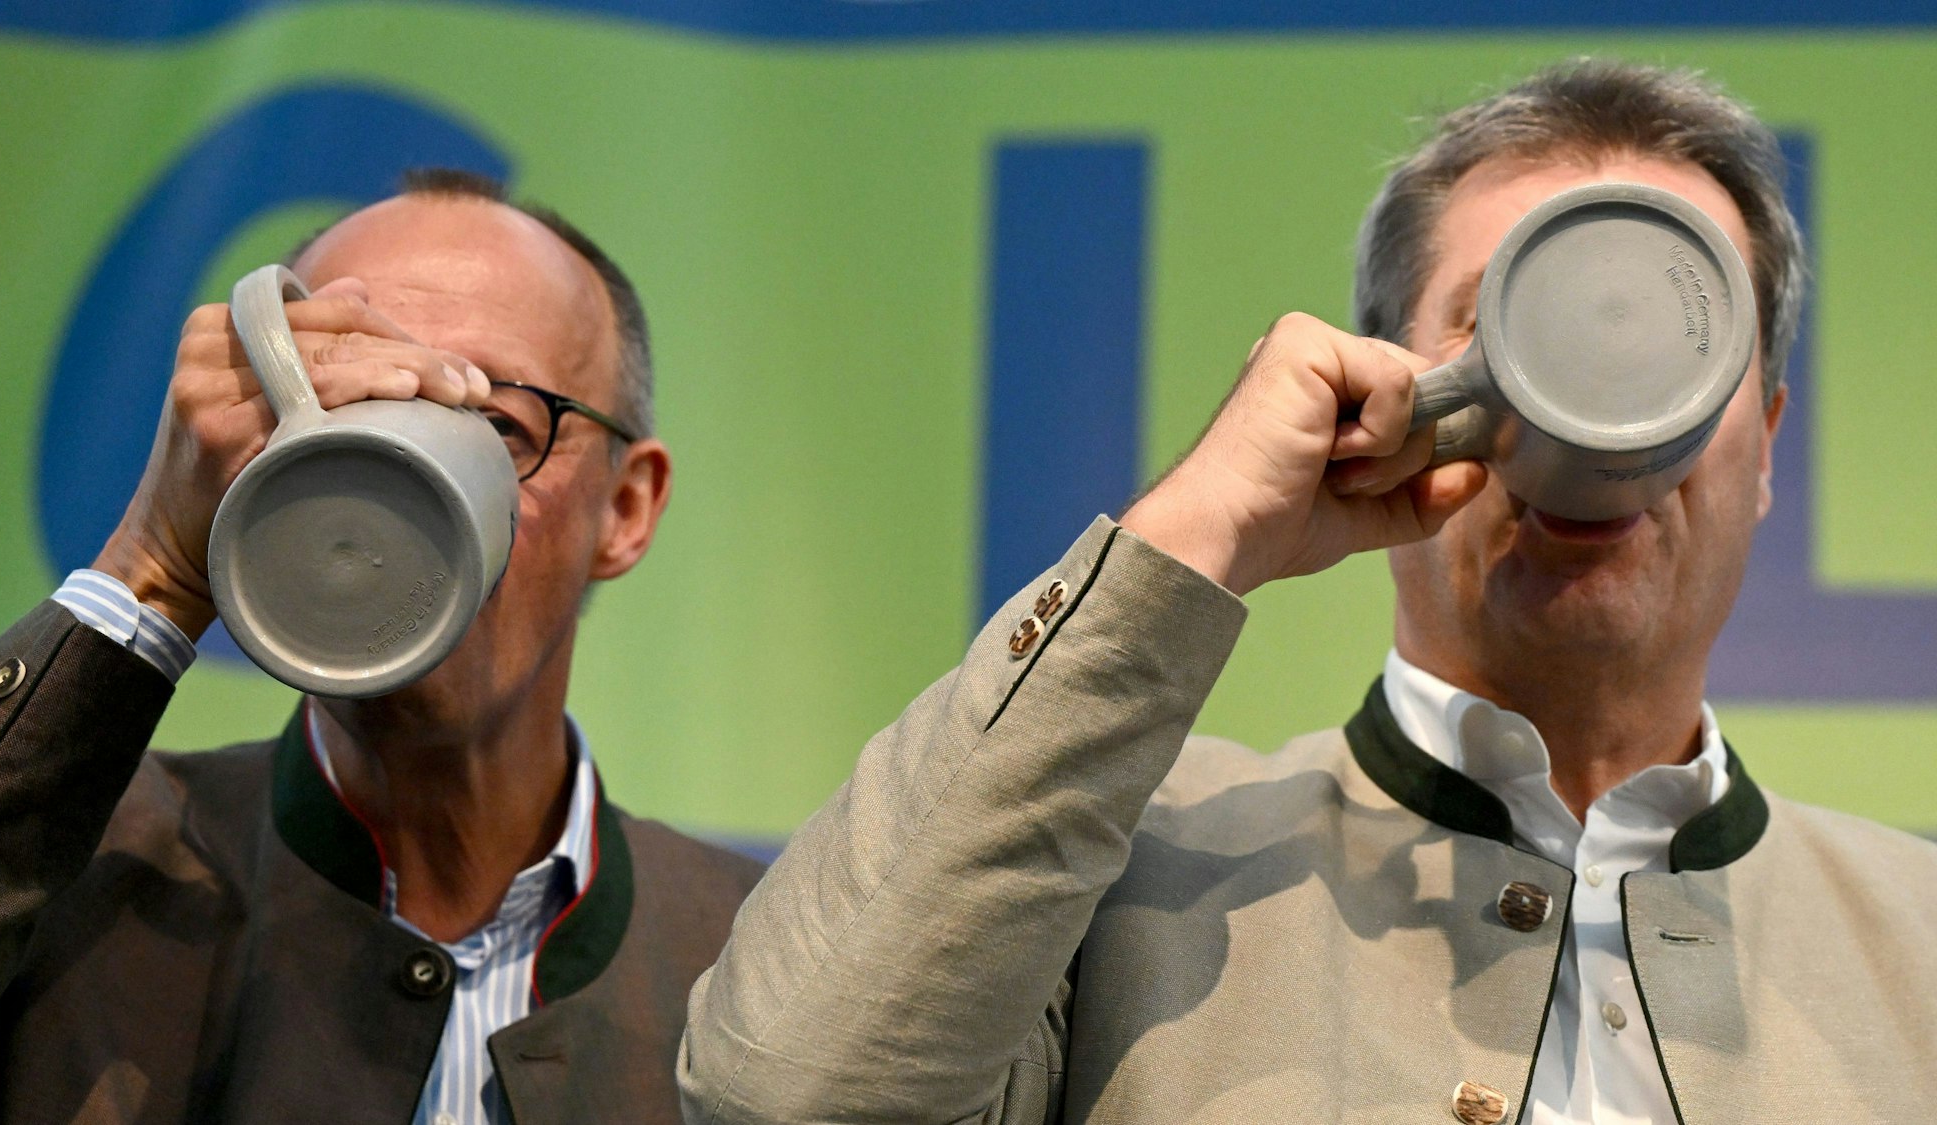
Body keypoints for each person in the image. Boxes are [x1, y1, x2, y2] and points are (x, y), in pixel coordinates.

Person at [677, 59, 1937, 1124]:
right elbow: (787, 1094)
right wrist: (1196, 531)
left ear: (1765, 439)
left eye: (1673, 344)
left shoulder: (1915, 936)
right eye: (1508, 331)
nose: (1595, 407)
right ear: (1382, 389)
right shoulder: (1122, 873)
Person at [0, 170, 762, 1124]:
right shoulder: (79, 876)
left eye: (498, 424)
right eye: (348, 415)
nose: (406, 483)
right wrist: (153, 567)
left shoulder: (760, 965)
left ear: (625, 509)